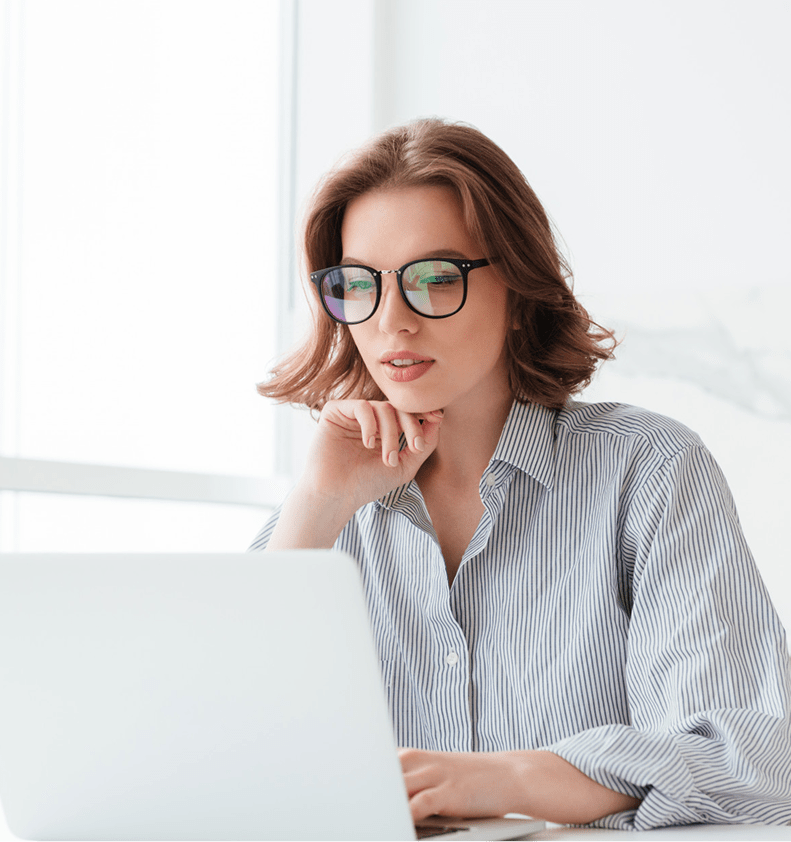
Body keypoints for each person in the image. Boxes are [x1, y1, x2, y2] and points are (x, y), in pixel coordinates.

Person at [250, 118, 791, 830]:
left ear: (517, 287)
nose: (391, 323)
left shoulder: (648, 472)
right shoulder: (322, 511)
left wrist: (505, 780)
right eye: (359, 284)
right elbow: (220, 759)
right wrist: (316, 508)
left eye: (435, 279)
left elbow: (750, 760)